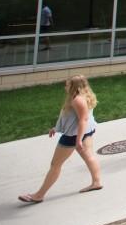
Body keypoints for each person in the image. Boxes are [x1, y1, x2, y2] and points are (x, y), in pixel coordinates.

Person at [18, 75, 102, 203]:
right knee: (89, 156)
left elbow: (82, 120)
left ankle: (39, 195)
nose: (65, 86)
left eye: (67, 84)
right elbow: (70, 117)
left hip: (73, 136)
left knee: (55, 165)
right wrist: (56, 128)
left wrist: (78, 140)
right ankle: (96, 182)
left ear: (74, 86)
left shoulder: (77, 100)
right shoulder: (86, 96)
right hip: (86, 131)